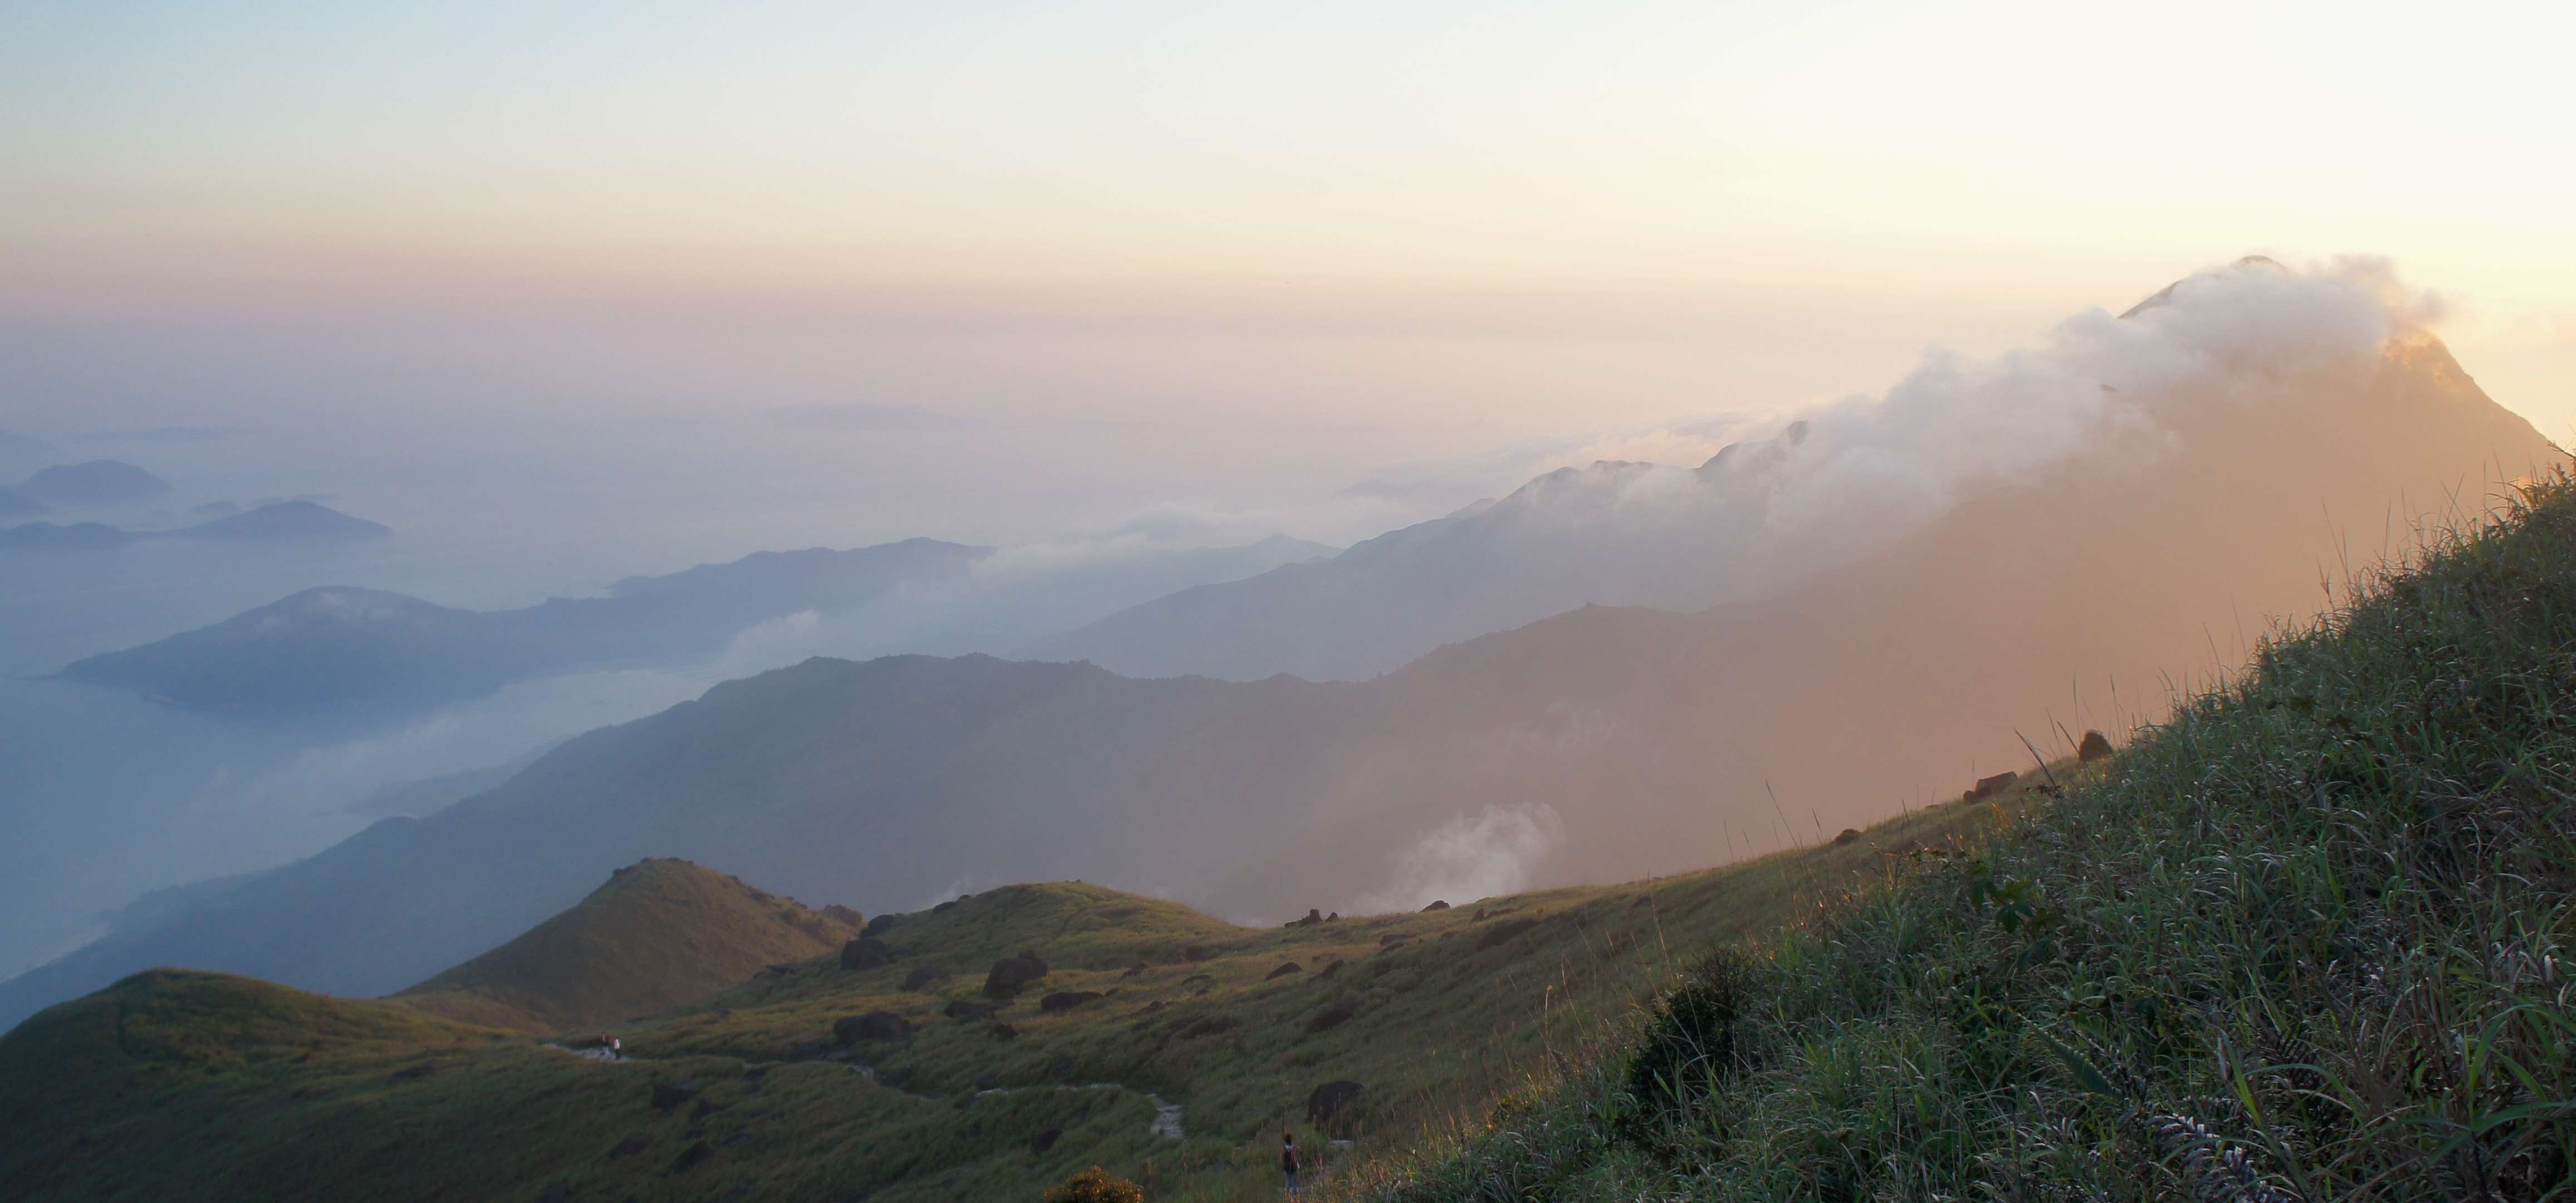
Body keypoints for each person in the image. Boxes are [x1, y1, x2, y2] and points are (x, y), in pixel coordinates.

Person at [1281, 1131, 1301, 1195]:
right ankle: (1294, 1198)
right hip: (1294, 1167)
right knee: (1294, 1183)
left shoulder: (1284, 1149)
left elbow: (1281, 1159)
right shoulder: (1294, 1148)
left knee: (1287, 1183)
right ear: (1291, 1140)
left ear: (1285, 1141)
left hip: (1286, 1168)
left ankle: (1286, 1197)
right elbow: (1298, 1157)